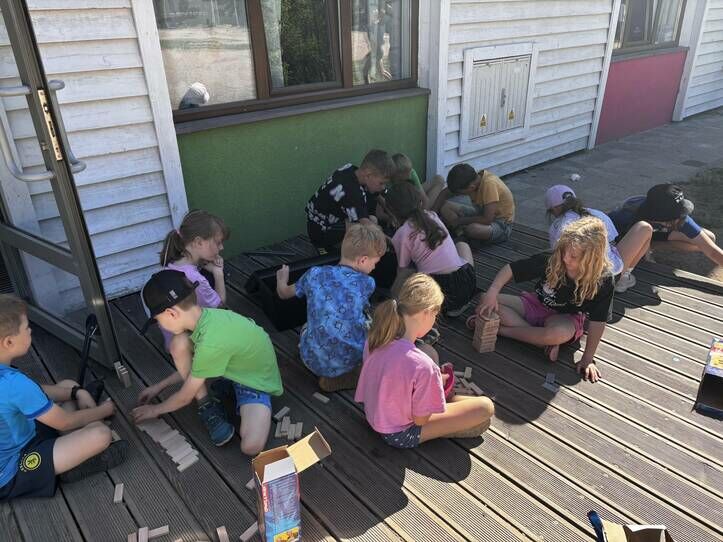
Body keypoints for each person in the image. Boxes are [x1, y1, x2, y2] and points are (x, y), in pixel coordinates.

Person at [134, 271, 283, 455]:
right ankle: (225, 390)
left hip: (256, 382)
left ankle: (240, 390)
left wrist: (155, 410)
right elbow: (197, 366)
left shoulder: (210, 342)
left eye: (158, 321)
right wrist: (159, 386)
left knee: (251, 446)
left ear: (171, 313)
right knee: (178, 343)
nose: (160, 326)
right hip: (239, 364)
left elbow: (185, 397)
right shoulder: (206, 318)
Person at [0, 295, 127, 500]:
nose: (30, 330)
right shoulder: (13, 384)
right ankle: (71, 467)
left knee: (68, 385)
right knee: (101, 434)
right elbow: (65, 422)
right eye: (26, 327)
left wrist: (76, 392)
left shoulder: (9, 379)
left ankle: (70, 451)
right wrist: (104, 410)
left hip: (24, 432)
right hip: (12, 469)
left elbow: (34, 391)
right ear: (8, 342)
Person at [355, 274, 494, 448]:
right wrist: (433, 388)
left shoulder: (376, 338)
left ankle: (451, 412)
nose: (435, 321)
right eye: (435, 315)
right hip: (399, 432)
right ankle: (450, 423)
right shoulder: (422, 366)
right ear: (426, 312)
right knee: (485, 407)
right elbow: (420, 420)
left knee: (429, 350)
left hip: (375, 415)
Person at [476, 216, 615, 383]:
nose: (565, 258)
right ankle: (540, 341)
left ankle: (500, 330)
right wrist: (492, 292)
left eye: (573, 256)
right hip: (536, 303)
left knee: (556, 334)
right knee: (485, 299)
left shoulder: (603, 280)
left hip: (566, 318)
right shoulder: (553, 258)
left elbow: (598, 322)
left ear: (591, 259)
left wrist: (587, 359)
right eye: (565, 251)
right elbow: (511, 269)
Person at [140, 210, 234, 445]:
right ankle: (207, 403)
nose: (221, 248)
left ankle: (208, 397)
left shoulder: (167, 269)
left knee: (182, 345)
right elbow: (221, 305)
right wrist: (218, 274)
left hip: (175, 342)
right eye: (218, 243)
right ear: (198, 242)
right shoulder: (197, 280)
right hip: (194, 341)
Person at [276, 223, 386, 392]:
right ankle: (347, 376)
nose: (374, 267)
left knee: (307, 326)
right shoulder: (367, 283)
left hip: (311, 359)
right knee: (371, 326)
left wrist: (281, 279)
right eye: (375, 263)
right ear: (362, 260)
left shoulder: (314, 274)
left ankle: (324, 365)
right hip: (350, 361)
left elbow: (283, 293)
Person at [385, 182, 476, 317]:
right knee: (462, 246)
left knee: (409, 273)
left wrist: (394, 293)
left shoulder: (402, 234)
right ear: (420, 201)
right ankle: (461, 303)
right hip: (466, 284)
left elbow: (403, 270)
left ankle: (394, 307)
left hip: (439, 293)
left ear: (392, 212)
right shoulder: (432, 216)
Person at [545, 185, 653, 293]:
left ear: (554, 209)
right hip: (604, 278)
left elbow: (560, 259)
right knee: (645, 228)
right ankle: (623, 278)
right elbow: (613, 241)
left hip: (579, 281)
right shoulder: (597, 213)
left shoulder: (556, 226)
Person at [608, 183, 723, 268]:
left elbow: (712, 250)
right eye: (673, 219)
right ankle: (643, 249)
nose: (680, 220)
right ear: (659, 217)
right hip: (624, 238)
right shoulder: (625, 216)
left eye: (681, 214)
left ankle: (651, 245)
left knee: (709, 238)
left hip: (654, 234)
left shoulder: (679, 217)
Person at [305, 149, 395, 252]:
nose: (384, 187)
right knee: (367, 230)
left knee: (372, 221)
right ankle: (333, 251)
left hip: (323, 220)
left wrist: (392, 215)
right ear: (368, 175)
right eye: (381, 183)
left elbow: (378, 196)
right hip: (320, 231)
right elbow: (367, 225)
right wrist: (390, 242)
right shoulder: (353, 192)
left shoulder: (351, 170)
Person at [431, 163, 515, 244]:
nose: (458, 194)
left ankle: (462, 235)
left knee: (472, 229)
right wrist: (431, 217)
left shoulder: (489, 184)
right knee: (445, 206)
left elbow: (487, 219)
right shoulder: (473, 179)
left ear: (471, 187)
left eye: (460, 193)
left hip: (500, 224)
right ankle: (461, 233)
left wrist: (460, 221)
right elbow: (445, 193)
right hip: (480, 214)